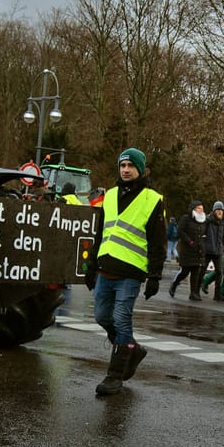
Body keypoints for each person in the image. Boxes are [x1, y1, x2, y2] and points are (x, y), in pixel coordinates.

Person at [85, 147, 167, 396]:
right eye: (122, 166)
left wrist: (154, 276)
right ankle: (131, 348)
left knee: (121, 320)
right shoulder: (109, 196)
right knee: (102, 317)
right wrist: (90, 267)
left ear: (141, 170)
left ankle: (114, 377)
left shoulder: (152, 199)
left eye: (131, 166)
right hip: (105, 269)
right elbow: (100, 233)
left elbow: (158, 243)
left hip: (131, 272)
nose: (126, 170)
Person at [169, 199, 210, 301]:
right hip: (187, 250)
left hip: (198, 250)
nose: (201, 210)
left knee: (196, 272)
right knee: (185, 272)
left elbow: (206, 232)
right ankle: (174, 284)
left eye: (202, 209)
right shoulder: (186, 218)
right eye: (199, 208)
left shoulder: (204, 220)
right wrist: (189, 241)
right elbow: (180, 232)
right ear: (193, 209)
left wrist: (204, 241)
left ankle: (193, 293)